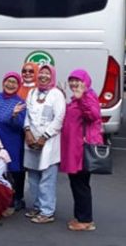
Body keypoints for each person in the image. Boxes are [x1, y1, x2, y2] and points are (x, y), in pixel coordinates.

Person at [60, 69, 102, 231]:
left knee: (81, 184)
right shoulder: (76, 99)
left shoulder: (88, 96)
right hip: (74, 148)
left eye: (78, 80)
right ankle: (81, 216)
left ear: (86, 81)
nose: (74, 83)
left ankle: (85, 220)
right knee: (77, 183)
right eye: (72, 80)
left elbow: (93, 116)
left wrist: (81, 98)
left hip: (82, 148)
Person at [23, 64, 66, 224]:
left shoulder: (57, 95)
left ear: (52, 76)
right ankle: (37, 206)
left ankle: (47, 211)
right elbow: (26, 114)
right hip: (31, 141)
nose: (43, 76)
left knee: (47, 177)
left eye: (47, 73)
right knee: (33, 176)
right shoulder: (32, 92)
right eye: (41, 73)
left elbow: (59, 118)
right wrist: (27, 132)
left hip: (48, 142)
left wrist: (44, 137)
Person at [0, 72, 27, 212]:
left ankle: (16, 198)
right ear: (3, 82)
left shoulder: (20, 103)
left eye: (14, 82)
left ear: (18, 86)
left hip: (11, 141)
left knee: (12, 171)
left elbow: (20, 125)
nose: (10, 84)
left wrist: (14, 115)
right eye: (8, 81)